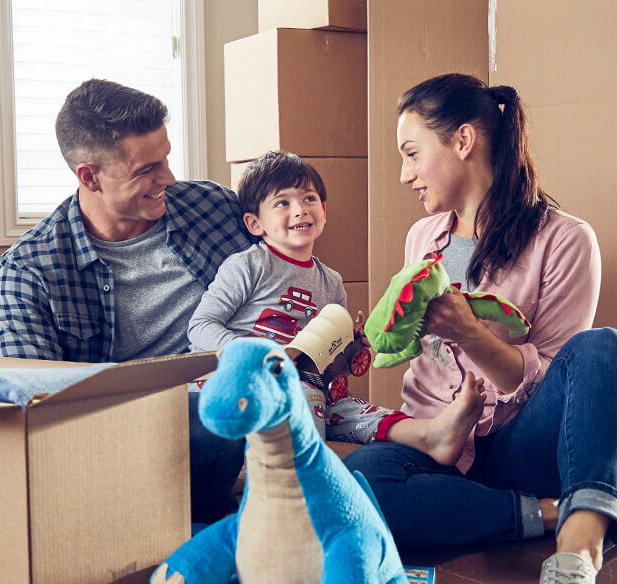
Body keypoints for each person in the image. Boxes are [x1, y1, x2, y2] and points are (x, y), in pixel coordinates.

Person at [340, 73, 617, 584]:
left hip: (520, 445)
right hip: (438, 449)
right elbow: (410, 350)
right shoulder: (422, 239)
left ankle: (575, 561)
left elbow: (558, 380)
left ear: (463, 141)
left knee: (604, 346)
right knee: (358, 485)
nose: (404, 173)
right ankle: (568, 511)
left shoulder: (566, 239)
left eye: (412, 154)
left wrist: (470, 334)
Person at [0, 78, 254, 522]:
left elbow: (286, 280)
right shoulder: (30, 268)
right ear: (89, 176)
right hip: (99, 437)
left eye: (166, 158)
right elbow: (33, 408)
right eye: (146, 169)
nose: (168, 178)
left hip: (205, 414)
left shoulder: (213, 207)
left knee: (213, 415)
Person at [188, 150, 483, 457]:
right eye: (282, 203)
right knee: (303, 396)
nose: (300, 210)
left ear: (324, 210)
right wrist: (250, 356)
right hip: (240, 383)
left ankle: (430, 435)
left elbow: (328, 368)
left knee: (354, 410)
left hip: (307, 389)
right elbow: (200, 326)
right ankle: (312, 466)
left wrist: (353, 346)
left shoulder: (331, 282)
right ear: (255, 224)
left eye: (309, 199)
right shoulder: (248, 266)